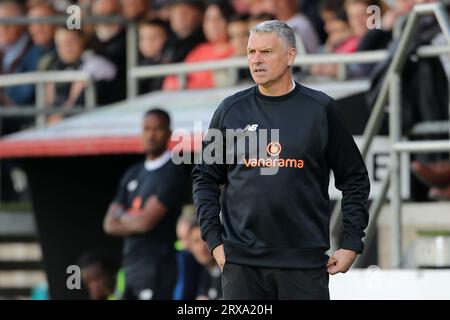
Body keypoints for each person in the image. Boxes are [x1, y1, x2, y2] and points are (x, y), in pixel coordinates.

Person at [192, 20, 370, 300]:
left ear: (290, 56)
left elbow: (354, 177)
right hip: (242, 266)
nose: (256, 60)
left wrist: (351, 242)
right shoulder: (230, 110)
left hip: (304, 265)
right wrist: (214, 240)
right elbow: (205, 177)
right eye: (251, 52)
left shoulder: (320, 109)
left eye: (266, 52)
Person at [103, 108, 188, 300]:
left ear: (168, 132)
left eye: (157, 129)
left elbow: (146, 223)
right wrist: (135, 217)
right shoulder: (133, 172)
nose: (151, 135)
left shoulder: (172, 172)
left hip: (157, 265)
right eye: (146, 129)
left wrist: (123, 217)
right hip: (130, 263)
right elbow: (108, 224)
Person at [188, 222, 222, 300]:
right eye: (196, 241)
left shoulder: (232, 273)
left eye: (205, 239)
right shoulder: (200, 274)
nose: (201, 247)